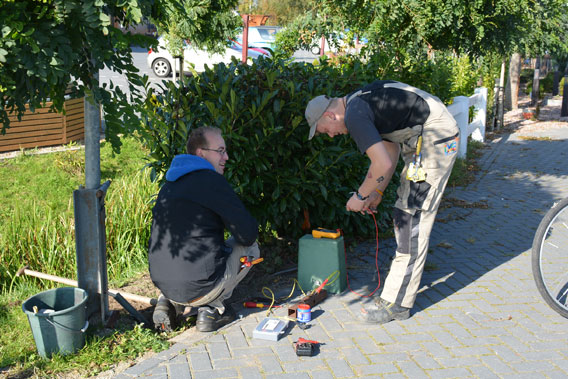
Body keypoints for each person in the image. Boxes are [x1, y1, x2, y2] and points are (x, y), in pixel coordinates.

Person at [305, 80, 459, 324]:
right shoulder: (360, 102)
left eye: (325, 130)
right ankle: (393, 296)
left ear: (330, 115)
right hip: (424, 137)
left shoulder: (355, 115)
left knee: (411, 219)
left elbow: (382, 164)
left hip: (434, 137)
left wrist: (360, 196)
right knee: (404, 214)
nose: (331, 135)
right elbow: (389, 150)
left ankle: (398, 304)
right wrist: (377, 191)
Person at [148, 126, 260, 332]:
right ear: (201, 153)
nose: (226, 157)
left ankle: (168, 302)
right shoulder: (212, 181)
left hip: (163, 283)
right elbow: (248, 233)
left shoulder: (170, 184)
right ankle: (211, 310)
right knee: (252, 249)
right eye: (220, 150)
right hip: (200, 287)